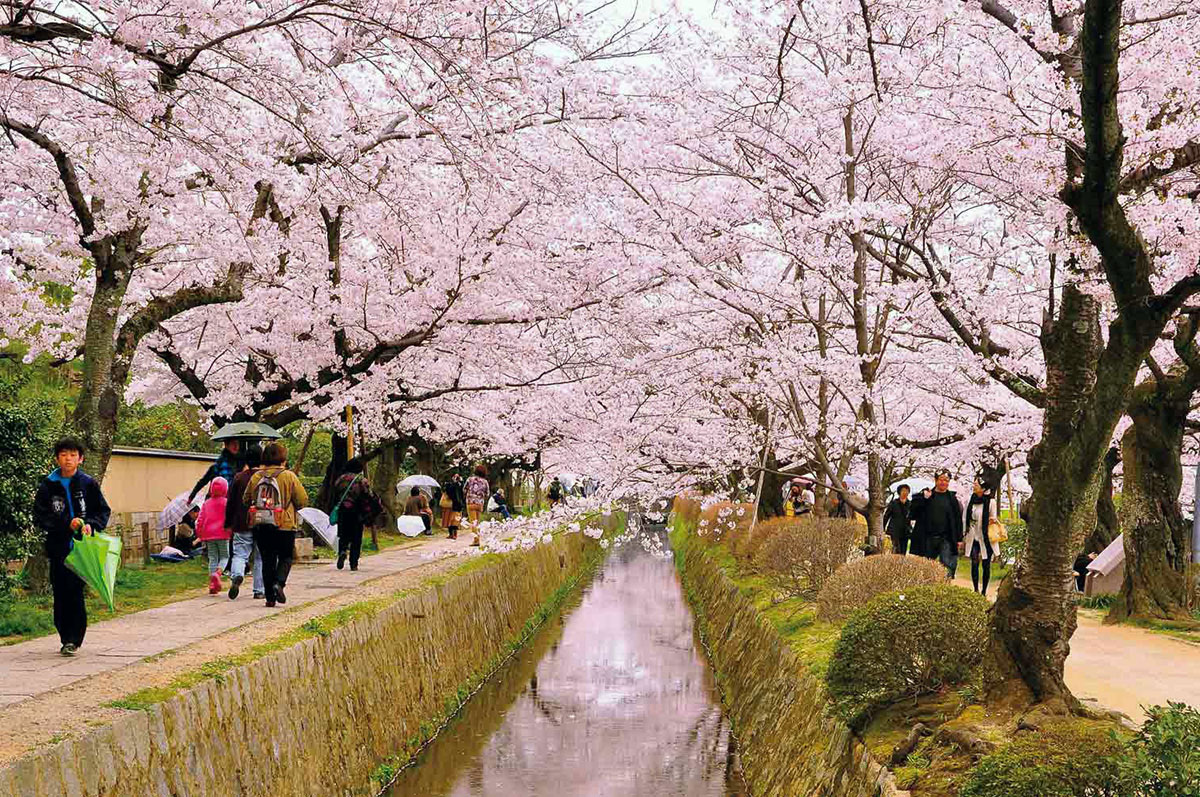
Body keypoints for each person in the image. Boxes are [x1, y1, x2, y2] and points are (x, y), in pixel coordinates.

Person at [32, 437, 111, 656]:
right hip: (58, 548)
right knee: (60, 592)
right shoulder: (48, 485)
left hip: (82, 549)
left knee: (75, 592)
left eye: (73, 455)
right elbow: (41, 515)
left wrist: (91, 526)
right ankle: (65, 636)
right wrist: (65, 523)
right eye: (64, 454)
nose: (68, 459)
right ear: (57, 458)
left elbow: (102, 511)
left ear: (81, 459)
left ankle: (74, 638)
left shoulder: (88, 484)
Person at [243, 442, 308, 607]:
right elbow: (302, 500)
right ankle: (279, 583)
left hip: (261, 524)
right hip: (284, 524)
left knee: (267, 559)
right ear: (282, 458)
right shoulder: (289, 476)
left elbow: (245, 499)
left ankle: (270, 598)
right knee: (286, 556)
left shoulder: (256, 476)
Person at [226, 448, 265, 600]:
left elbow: (231, 502)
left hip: (241, 522)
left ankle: (237, 575)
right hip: (262, 522)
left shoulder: (239, 478)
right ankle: (259, 590)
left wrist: (228, 522)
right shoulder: (265, 477)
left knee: (240, 554)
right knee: (260, 557)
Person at [910, 469, 964, 579]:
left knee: (947, 565)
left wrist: (959, 539)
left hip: (946, 537)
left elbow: (958, 520)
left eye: (946, 480)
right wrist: (924, 499)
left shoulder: (952, 499)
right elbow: (912, 514)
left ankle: (945, 587)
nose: (943, 482)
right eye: (941, 480)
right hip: (928, 537)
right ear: (935, 480)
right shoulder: (926, 495)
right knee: (926, 566)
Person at [332, 460, 384, 571]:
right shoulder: (361, 480)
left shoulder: (339, 480)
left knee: (343, 534)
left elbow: (334, 494)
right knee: (356, 538)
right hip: (357, 512)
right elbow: (368, 495)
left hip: (342, 511)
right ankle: (353, 563)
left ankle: (342, 551)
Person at [960, 478, 998, 595]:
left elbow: (993, 517)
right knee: (975, 562)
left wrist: (992, 520)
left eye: (976, 484)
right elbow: (965, 518)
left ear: (983, 488)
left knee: (986, 565)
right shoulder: (970, 500)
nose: (974, 486)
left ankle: (984, 591)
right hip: (973, 536)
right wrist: (964, 534)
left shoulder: (991, 502)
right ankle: (976, 589)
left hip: (985, 537)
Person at [194, 477, 231, 594]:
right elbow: (231, 518)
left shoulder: (206, 504)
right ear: (226, 489)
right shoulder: (227, 503)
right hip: (223, 534)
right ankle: (218, 573)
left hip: (209, 536)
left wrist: (200, 534)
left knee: (213, 558)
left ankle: (212, 584)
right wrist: (232, 530)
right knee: (225, 556)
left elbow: (199, 520)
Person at [464, 465, 490, 547]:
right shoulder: (485, 482)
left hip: (471, 502)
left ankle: (476, 540)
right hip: (479, 503)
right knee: (477, 522)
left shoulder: (470, 479)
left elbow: (464, 489)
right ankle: (477, 538)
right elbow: (487, 493)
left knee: (473, 522)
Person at [883, 485, 913, 555]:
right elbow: (886, 516)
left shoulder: (910, 504)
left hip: (905, 531)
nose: (905, 492)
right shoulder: (894, 503)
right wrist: (883, 528)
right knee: (896, 549)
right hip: (894, 530)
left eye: (906, 491)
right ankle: (894, 564)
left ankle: (901, 564)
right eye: (903, 491)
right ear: (899, 492)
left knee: (903, 551)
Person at [444, 472, 465, 540]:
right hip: (451, 505)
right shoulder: (450, 484)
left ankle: (454, 534)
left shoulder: (461, 485)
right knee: (451, 520)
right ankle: (451, 534)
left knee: (455, 520)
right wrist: (454, 483)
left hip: (457, 505)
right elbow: (449, 492)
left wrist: (461, 482)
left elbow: (463, 492)